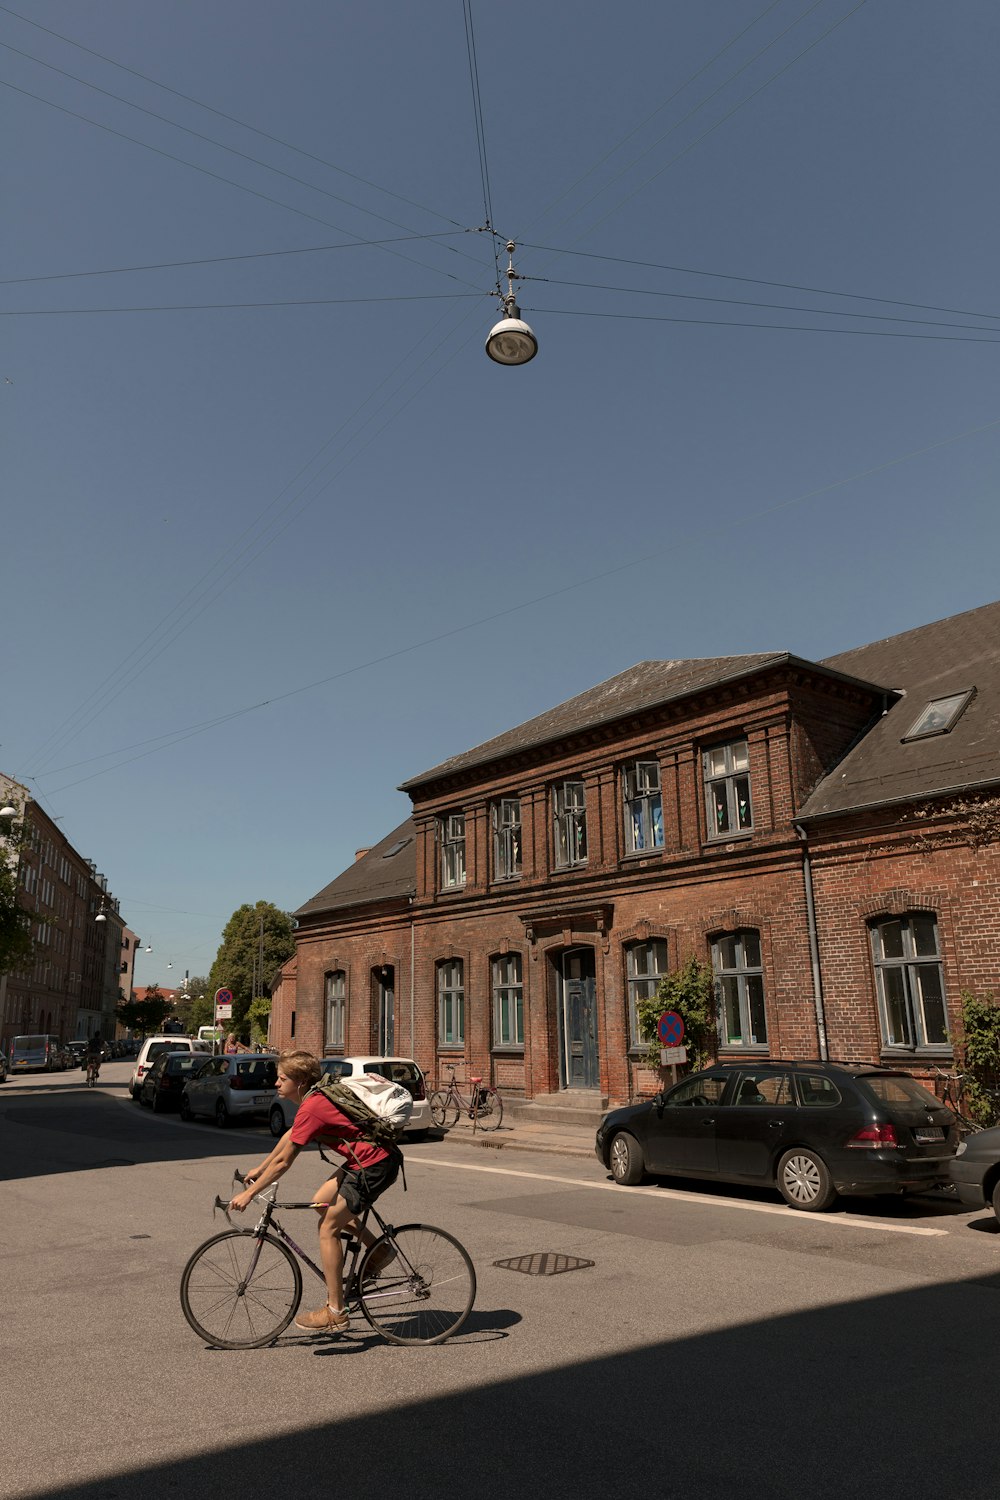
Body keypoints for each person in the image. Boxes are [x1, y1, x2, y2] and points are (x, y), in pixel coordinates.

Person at [229, 1049, 400, 1334]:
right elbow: (289, 1136)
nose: (276, 1083)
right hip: (365, 1160)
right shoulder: (313, 1100)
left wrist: (250, 1193)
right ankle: (379, 1251)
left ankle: (336, 1311)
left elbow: (286, 1161)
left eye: (282, 1078)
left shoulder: (314, 1105)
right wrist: (261, 1167)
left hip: (374, 1165)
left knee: (328, 1228)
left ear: (300, 1081)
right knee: (321, 1203)